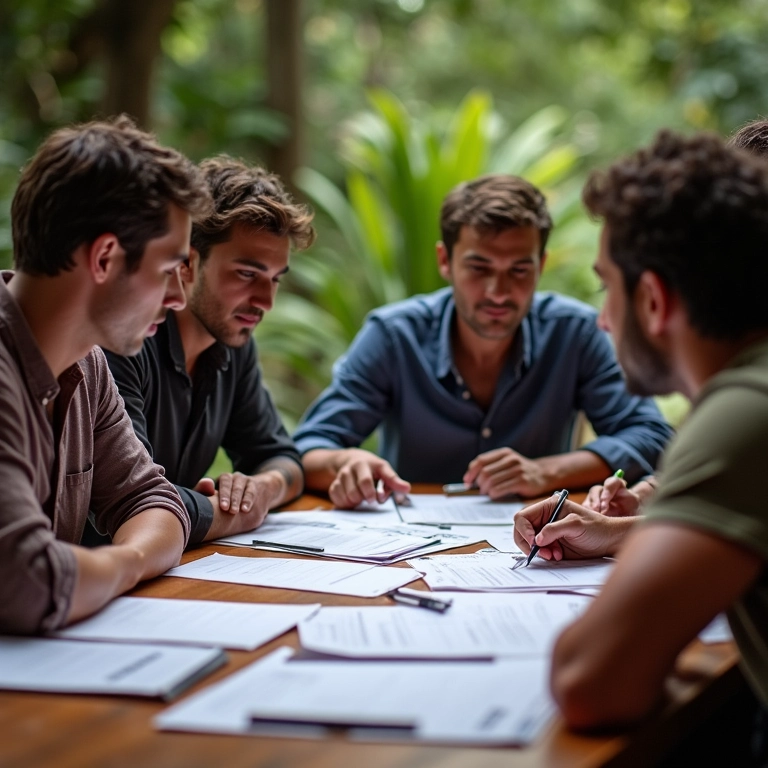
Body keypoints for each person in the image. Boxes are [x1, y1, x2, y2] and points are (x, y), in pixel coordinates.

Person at [514, 130, 768, 732]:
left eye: (607, 285)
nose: (601, 316)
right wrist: (625, 533)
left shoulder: (746, 411)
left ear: (652, 299)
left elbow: (589, 682)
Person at [294, 174, 673, 509]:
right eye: (479, 268)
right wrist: (346, 465)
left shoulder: (575, 333)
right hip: (404, 554)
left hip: (535, 556)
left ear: (541, 265)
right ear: (445, 261)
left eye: (519, 270)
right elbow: (309, 447)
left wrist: (544, 473)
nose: (498, 292)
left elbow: (652, 435)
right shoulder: (393, 335)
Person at [0, 116, 212, 634]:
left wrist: (116, 567)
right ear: (105, 257)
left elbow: (153, 501)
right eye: (168, 270)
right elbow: (26, 581)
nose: (180, 299)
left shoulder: (86, 364)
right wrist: (124, 567)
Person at [103, 157, 315, 547]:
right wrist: (229, 515)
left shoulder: (233, 345)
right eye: (247, 274)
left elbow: (281, 458)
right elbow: (135, 500)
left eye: (275, 280)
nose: (266, 301)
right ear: (188, 263)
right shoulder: (123, 341)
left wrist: (261, 489)